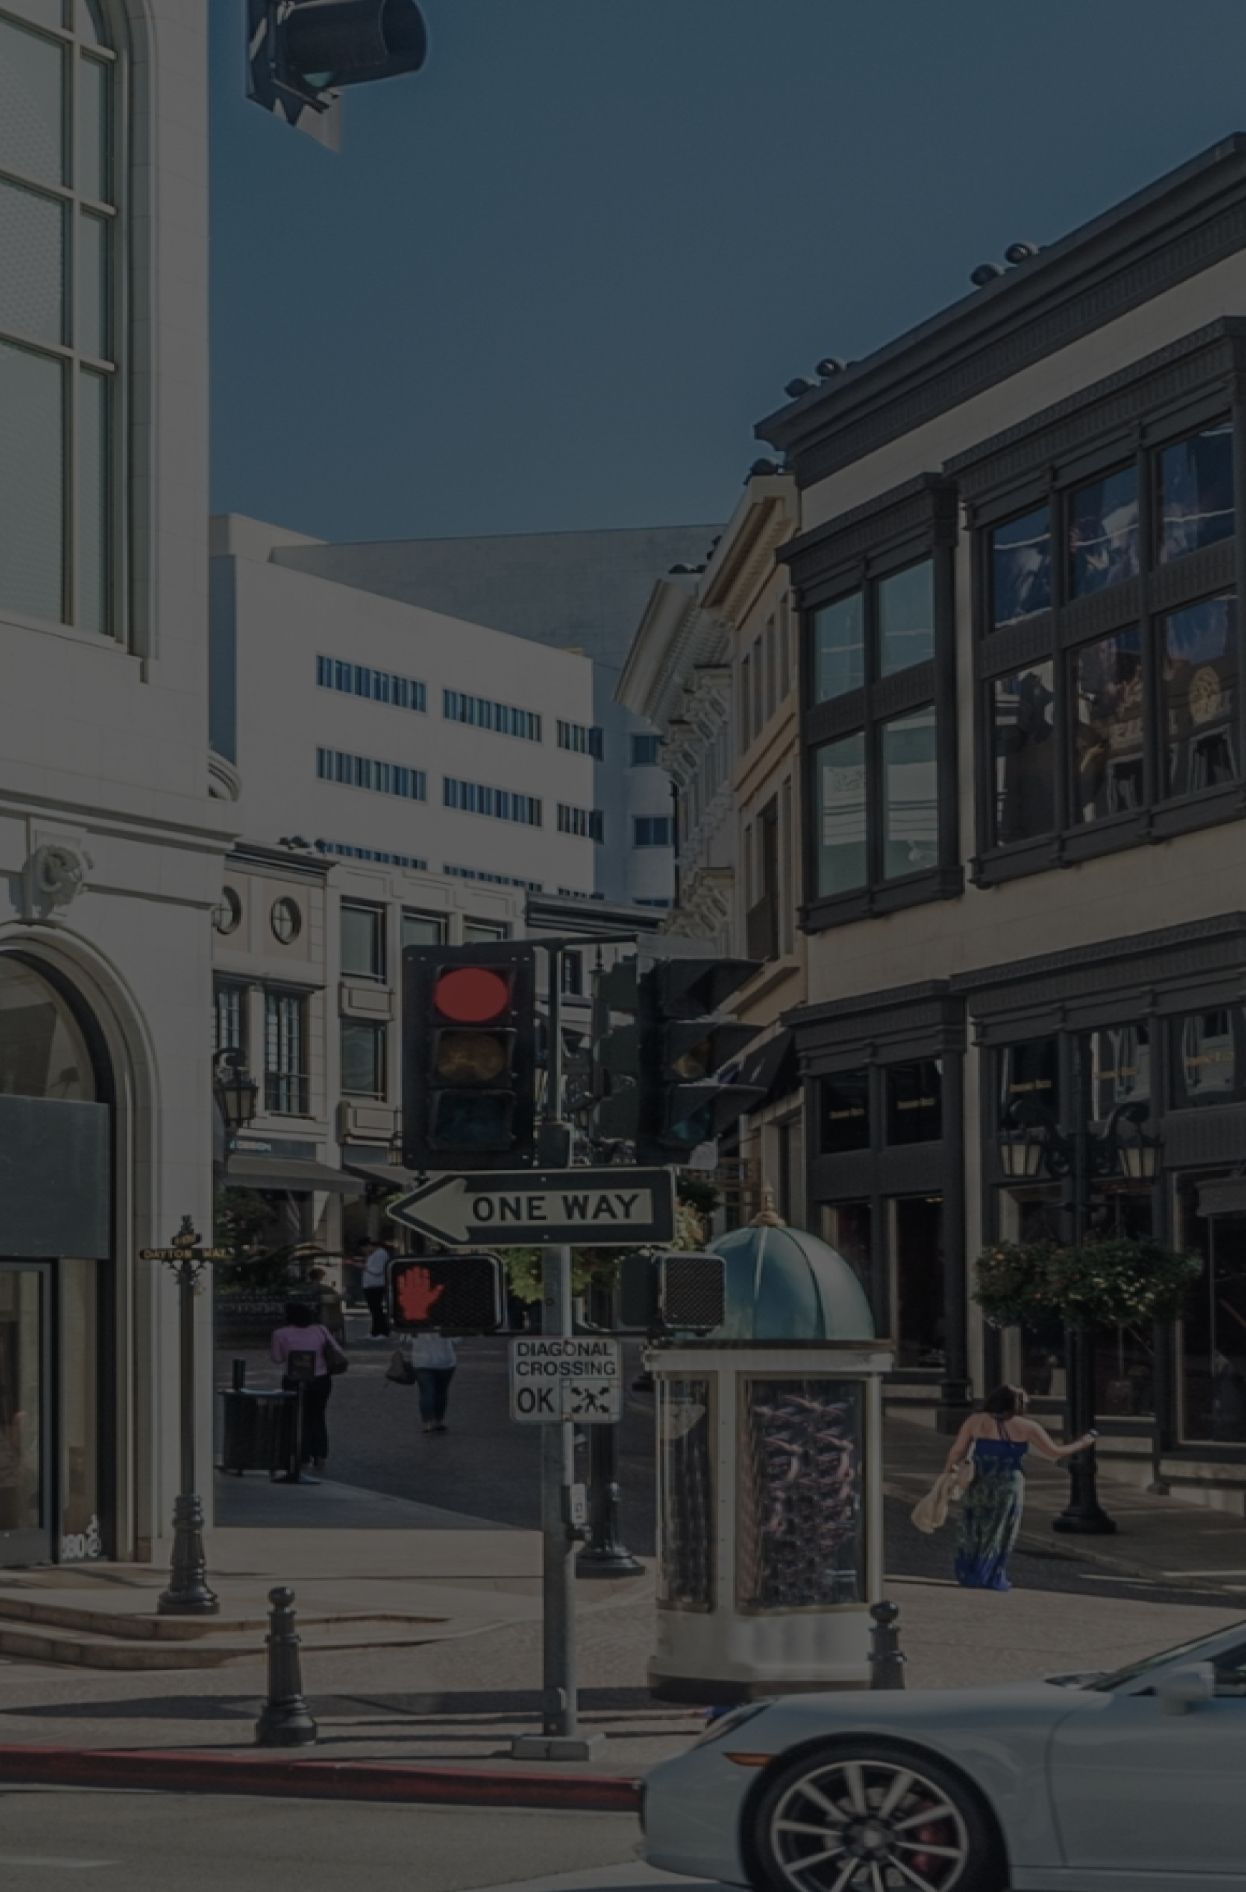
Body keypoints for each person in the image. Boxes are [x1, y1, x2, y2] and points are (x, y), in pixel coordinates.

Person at [944, 1384, 1096, 1592]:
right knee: (1000, 1528)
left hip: (979, 1480)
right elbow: (1054, 1452)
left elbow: (957, 1450)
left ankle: (967, 1571)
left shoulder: (975, 1420)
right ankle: (989, 1573)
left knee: (973, 1524)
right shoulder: (1027, 1426)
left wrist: (947, 1473)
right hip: (1008, 1483)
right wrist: (1083, 1443)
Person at [270, 1301, 342, 1481]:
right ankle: (320, 1454)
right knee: (318, 1415)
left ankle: (300, 1454)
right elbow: (337, 1349)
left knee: (295, 1417)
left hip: (293, 1379)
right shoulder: (320, 1330)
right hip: (320, 1378)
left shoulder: (280, 1334)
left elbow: (277, 1358)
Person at [410, 1328, 457, 1434]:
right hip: (445, 1361)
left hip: (422, 1360)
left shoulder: (414, 1321)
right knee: (441, 1392)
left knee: (425, 1393)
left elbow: (407, 1338)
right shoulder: (448, 1319)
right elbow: (457, 1339)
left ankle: (427, 1423)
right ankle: (439, 1420)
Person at [360, 1238, 391, 1339]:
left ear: (368, 1245)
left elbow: (378, 1270)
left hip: (376, 1286)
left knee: (377, 1309)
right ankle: (375, 1331)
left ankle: (383, 1331)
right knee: (374, 1310)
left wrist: (364, 1267)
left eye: (363, 1249)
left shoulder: (380, 1254)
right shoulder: (372, 1255)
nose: (364, 1252)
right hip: (370, 1286)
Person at [306, 1266, 345, 1343]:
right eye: (322, 1276)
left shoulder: (305, 1287)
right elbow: (337, 1296)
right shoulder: (325, 1288)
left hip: (307, 1313)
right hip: (324, 1316)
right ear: (320, 1277)